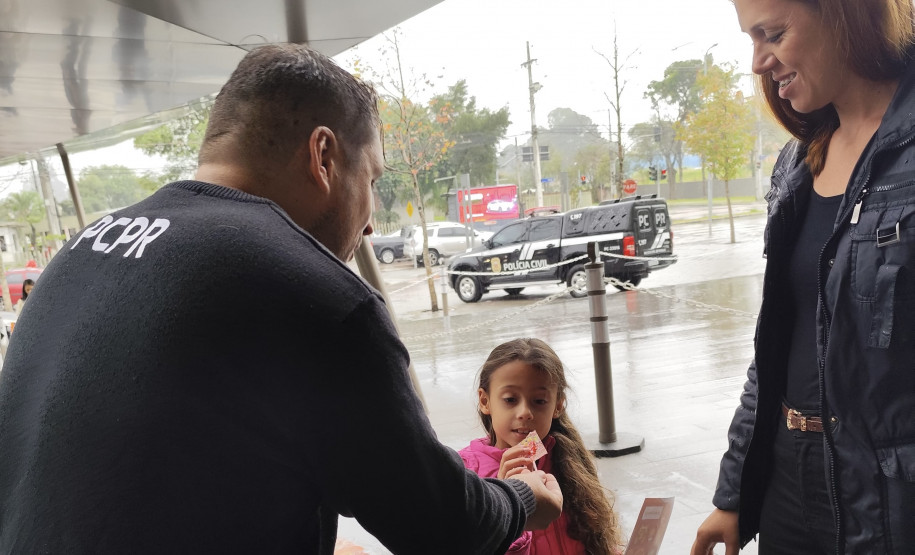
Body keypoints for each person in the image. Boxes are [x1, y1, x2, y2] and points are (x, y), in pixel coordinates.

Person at [0, 44, 563, 554]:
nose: (369, 226)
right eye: (370, 179)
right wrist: (521, 497)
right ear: (323, 156)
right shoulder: (313, 296)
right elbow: (443, 525)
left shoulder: (80, 251)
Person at [692, 0, 915, 553]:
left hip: (892, 505)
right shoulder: (797, 163)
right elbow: (777, 346)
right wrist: (735, 493)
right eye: (750, 38)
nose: (757, 63)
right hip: (790, 488)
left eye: (773, 33)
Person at [460, 338, 622, 554]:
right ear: (485, 401)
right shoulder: (467, 473)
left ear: (558, 405)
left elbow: (594, 536)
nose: (525, 412)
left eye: (539, 400)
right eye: (510, 399)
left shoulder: (567, 459)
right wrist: (507, 503)